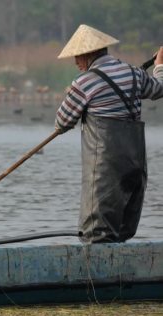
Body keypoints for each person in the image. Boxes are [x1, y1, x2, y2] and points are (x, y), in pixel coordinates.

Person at [54, 24, 163, 243]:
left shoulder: (84, 82)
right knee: (122, 231)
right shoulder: (134, 74)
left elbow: (62, 122)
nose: (76, 62)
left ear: (88, 54)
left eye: (77, 56)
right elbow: (159, 88)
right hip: (135, 165)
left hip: (104, 170)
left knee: (96, 235)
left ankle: (97, 277)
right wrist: (159, 67)